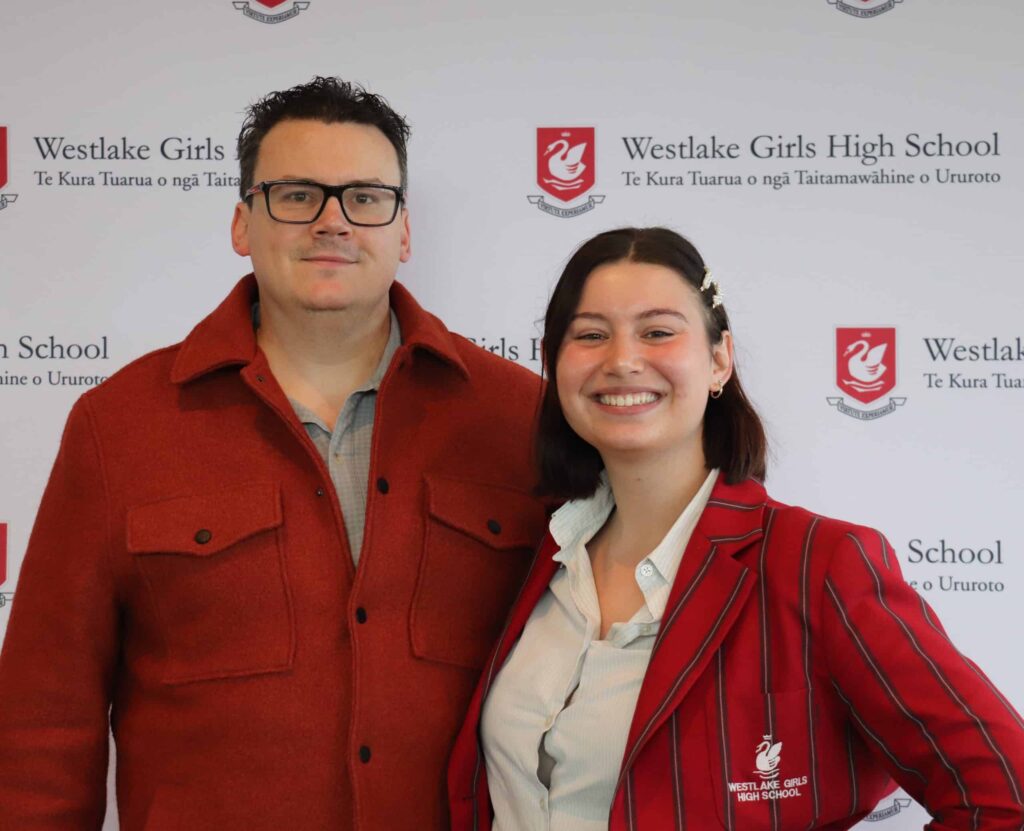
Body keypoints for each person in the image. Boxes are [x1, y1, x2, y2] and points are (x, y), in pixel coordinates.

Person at [0, 77, 548, 829]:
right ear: (242, 223)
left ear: (403, 232)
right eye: (296, 196)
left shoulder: (518, 419)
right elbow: (43, 718)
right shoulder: (118, 425)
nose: (333, 222)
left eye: (365, 198)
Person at [448, 227, 1024, 830]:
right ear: (554, 363)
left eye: (658, 332)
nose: (621, 360)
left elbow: (1004, 797)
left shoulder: (819, 564)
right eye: (590, 335)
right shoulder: (535, 555)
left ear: (719, 359)